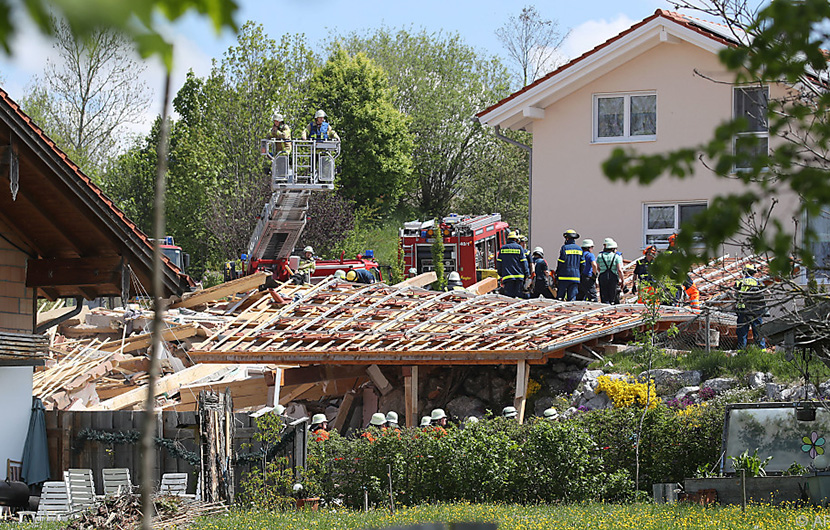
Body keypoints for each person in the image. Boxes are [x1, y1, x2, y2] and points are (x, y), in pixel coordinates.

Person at [735, 264, 767, 350]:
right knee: (758, 331)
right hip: (756, 310)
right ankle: (762, 351)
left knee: (742, 333)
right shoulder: (758, 281)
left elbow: (735, 295)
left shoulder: (739, 282)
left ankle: (741, 352)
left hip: (743, 310)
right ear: (753, 273)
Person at [497, 231, 529, 298]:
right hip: (519, 278)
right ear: (516, 239)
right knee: (519, 298)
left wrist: (501, 274)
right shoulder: (519, 248)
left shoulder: (503, 248)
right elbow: (524, 262)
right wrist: (527, 274)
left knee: (509, 299)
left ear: (508, 239)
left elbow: (499, 263)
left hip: (507, 278)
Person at [556, 229, 585, 301]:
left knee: (560, 298)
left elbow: (561, 262)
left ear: (567, 238)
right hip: (575, 277)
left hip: (564, 277)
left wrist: (557, 273)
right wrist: (579, 273)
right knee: (572, 299)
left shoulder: (564, 248)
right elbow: (583, 264)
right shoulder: (579, 249)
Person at [597, 238, 624, 304]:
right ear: (613, 249)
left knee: (604, 294)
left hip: (603, 276)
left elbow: (597, 267)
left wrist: (602, 271)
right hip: (613, 277)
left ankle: (605, 305)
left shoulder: (600, 256)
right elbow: (619, 269)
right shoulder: (617, 256)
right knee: (613, 294)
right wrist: (622, 280)